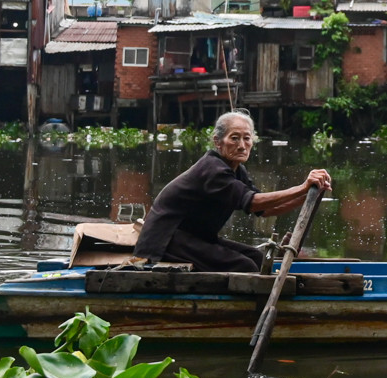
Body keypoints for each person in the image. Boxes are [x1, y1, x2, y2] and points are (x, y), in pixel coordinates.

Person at [132, 111, 333, 272]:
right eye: (234, 138)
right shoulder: (213, 169)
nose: (242, 145)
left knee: (257, 258)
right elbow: (253, 202)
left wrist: (307, 198)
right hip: (166, 241)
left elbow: (263, 211)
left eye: (247, 138)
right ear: (217, 141)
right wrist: (302, 187)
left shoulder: (237, 170)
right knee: (244, 266)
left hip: (195, 238)